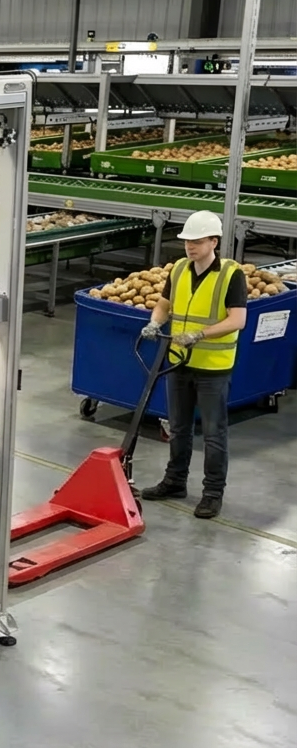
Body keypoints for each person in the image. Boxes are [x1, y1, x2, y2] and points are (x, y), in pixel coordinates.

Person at [139, 210, 247, 519]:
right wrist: (154, 323)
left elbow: (238, 319)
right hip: (178, 362)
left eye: (197, 241)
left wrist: (199, 334)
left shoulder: (231, 274)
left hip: (213, 366)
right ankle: (175, 481)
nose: (190, 247)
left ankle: (213, 492)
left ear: (214, 241)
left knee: (213, 433)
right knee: (179, 427)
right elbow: (165, 303)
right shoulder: (178, 270)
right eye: (187, 241)